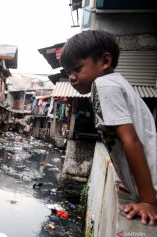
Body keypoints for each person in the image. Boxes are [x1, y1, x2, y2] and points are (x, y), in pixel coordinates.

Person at [60, 30, 157, 225]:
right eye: (68, 72)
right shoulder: (113, 83)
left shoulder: (105, 85)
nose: (71, 77)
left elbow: (131, 141)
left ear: (105, 61)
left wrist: (147, 200)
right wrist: (131, 182)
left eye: (77, 69)